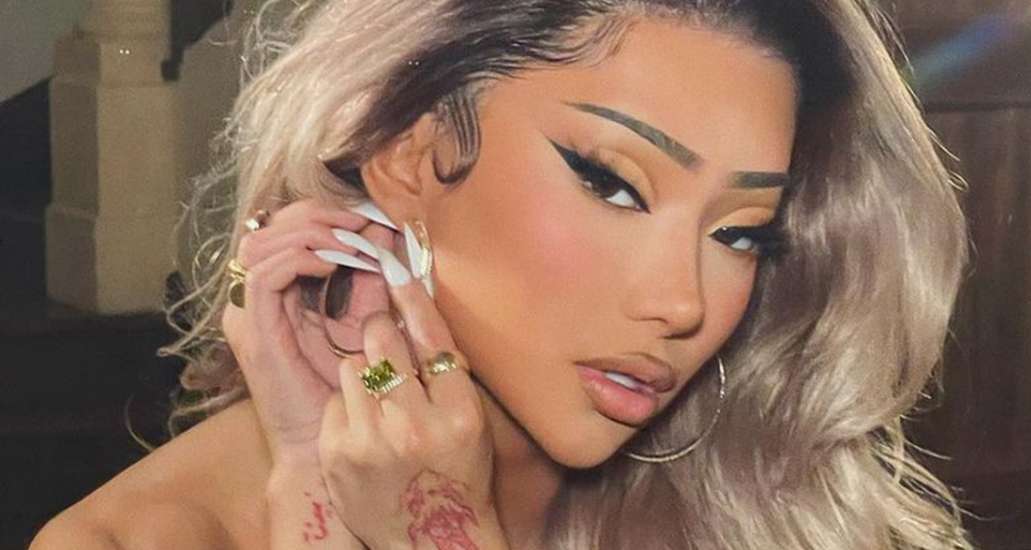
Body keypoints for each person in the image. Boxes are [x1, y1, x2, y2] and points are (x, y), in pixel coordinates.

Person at [31, 0, 974, 548]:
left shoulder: (753, 496)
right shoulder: (143, 540)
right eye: (613, 184)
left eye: (742, 234)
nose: (683, 304)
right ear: (407, 155)